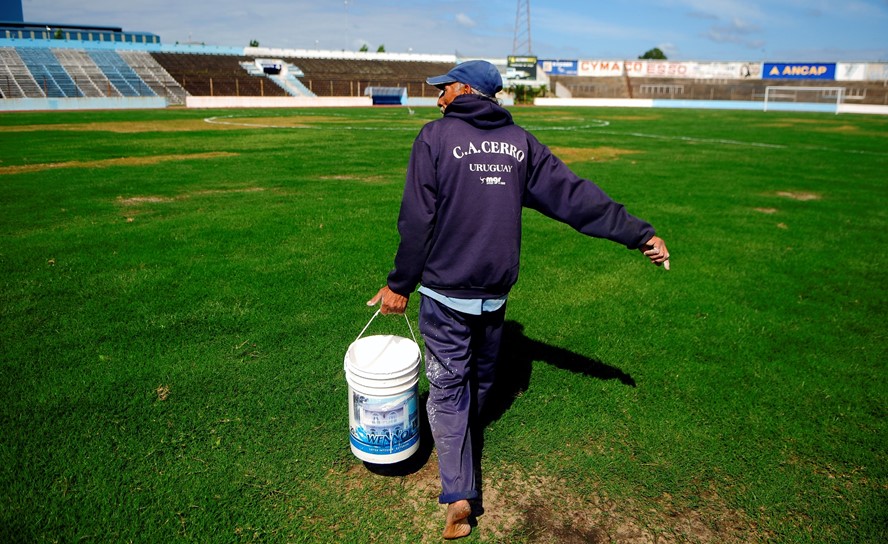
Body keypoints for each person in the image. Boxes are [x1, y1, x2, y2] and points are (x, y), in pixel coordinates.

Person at [367, 60, 669, 540]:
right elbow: (576, 198)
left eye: (444, 88)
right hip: (493, 294)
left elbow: (416, 218)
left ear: (466, 89)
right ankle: (467, 438)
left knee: (448, 388)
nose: (438, 95)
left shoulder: (435, 138)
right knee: (481, 378)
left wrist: (399, 285)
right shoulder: (519, 144)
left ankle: (459, 491)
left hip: (447, 293)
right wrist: (639, 234)